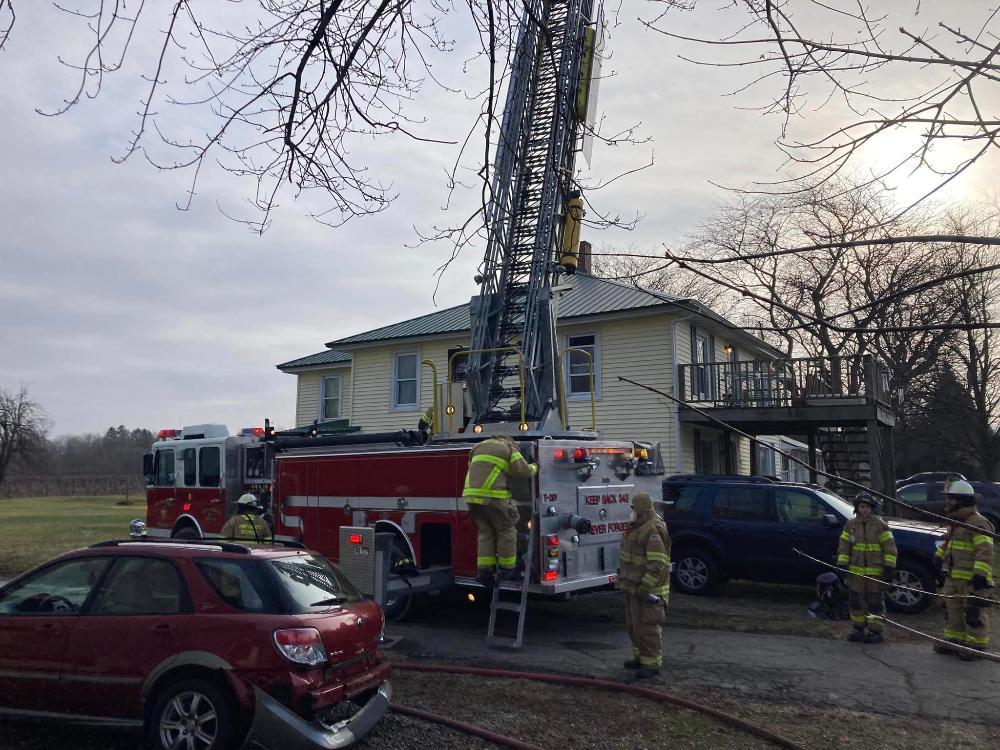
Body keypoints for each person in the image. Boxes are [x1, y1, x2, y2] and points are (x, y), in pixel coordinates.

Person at [462, 435, 537, 588]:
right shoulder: (509, 448)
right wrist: (535, 466)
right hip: (494, 497)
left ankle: (484, 571)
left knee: (486, 532)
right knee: (506, 530)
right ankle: (507, 568)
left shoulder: (477, 447)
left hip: (472, 498)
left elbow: (475, 468)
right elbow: (523, 471)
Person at [932, 479, 995, 660]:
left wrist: (980, 575)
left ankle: (975, 646)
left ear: (961, 501)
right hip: (953, 577)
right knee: (952, 611)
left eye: (951, 498)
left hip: (971, 579)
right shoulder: (955, 523)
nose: (947, 502)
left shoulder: (978, 523)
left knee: (973, 613)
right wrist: (938, 557)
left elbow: (985, 551)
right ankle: (954, 641)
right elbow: (949, 545)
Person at [617, 491, 671, 680]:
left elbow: (657, 563)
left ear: (643, 509)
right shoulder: (637, 526)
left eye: (634, 507)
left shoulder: (652, 528)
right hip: (633, 588)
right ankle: (640, 658)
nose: (632, 510)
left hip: (648, 591)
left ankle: (651, 665)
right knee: (634, 626)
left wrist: (645, 587)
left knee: (647, 629)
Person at [836, 490, 897, 644]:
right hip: (855, 573)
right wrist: (842, 564)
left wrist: (889, 568)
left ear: (872, 509)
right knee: (856, 602)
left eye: (868, 507)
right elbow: (844, 546)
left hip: (875, 574)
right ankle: (858, 629)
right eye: (862, 507)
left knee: (875, 603)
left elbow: (890, 548)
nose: (865, 510)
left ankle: (875, 631)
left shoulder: (880, 526)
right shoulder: (850, 525)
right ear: (857, 507)